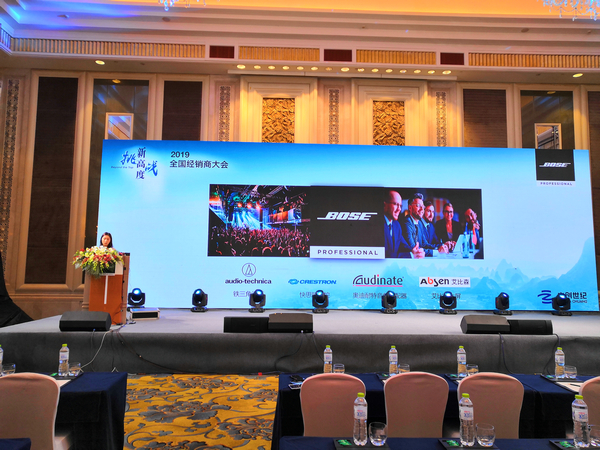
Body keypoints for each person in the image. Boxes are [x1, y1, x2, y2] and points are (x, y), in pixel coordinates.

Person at [383, 190, 424, 259]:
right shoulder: (377, 225)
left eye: (400, 206)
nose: (399, 209)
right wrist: (411, 255)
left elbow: (403, 245)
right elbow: (385, 254)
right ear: (385, 205)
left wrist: (414, 251)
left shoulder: (396, 225)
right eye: (395, 204)